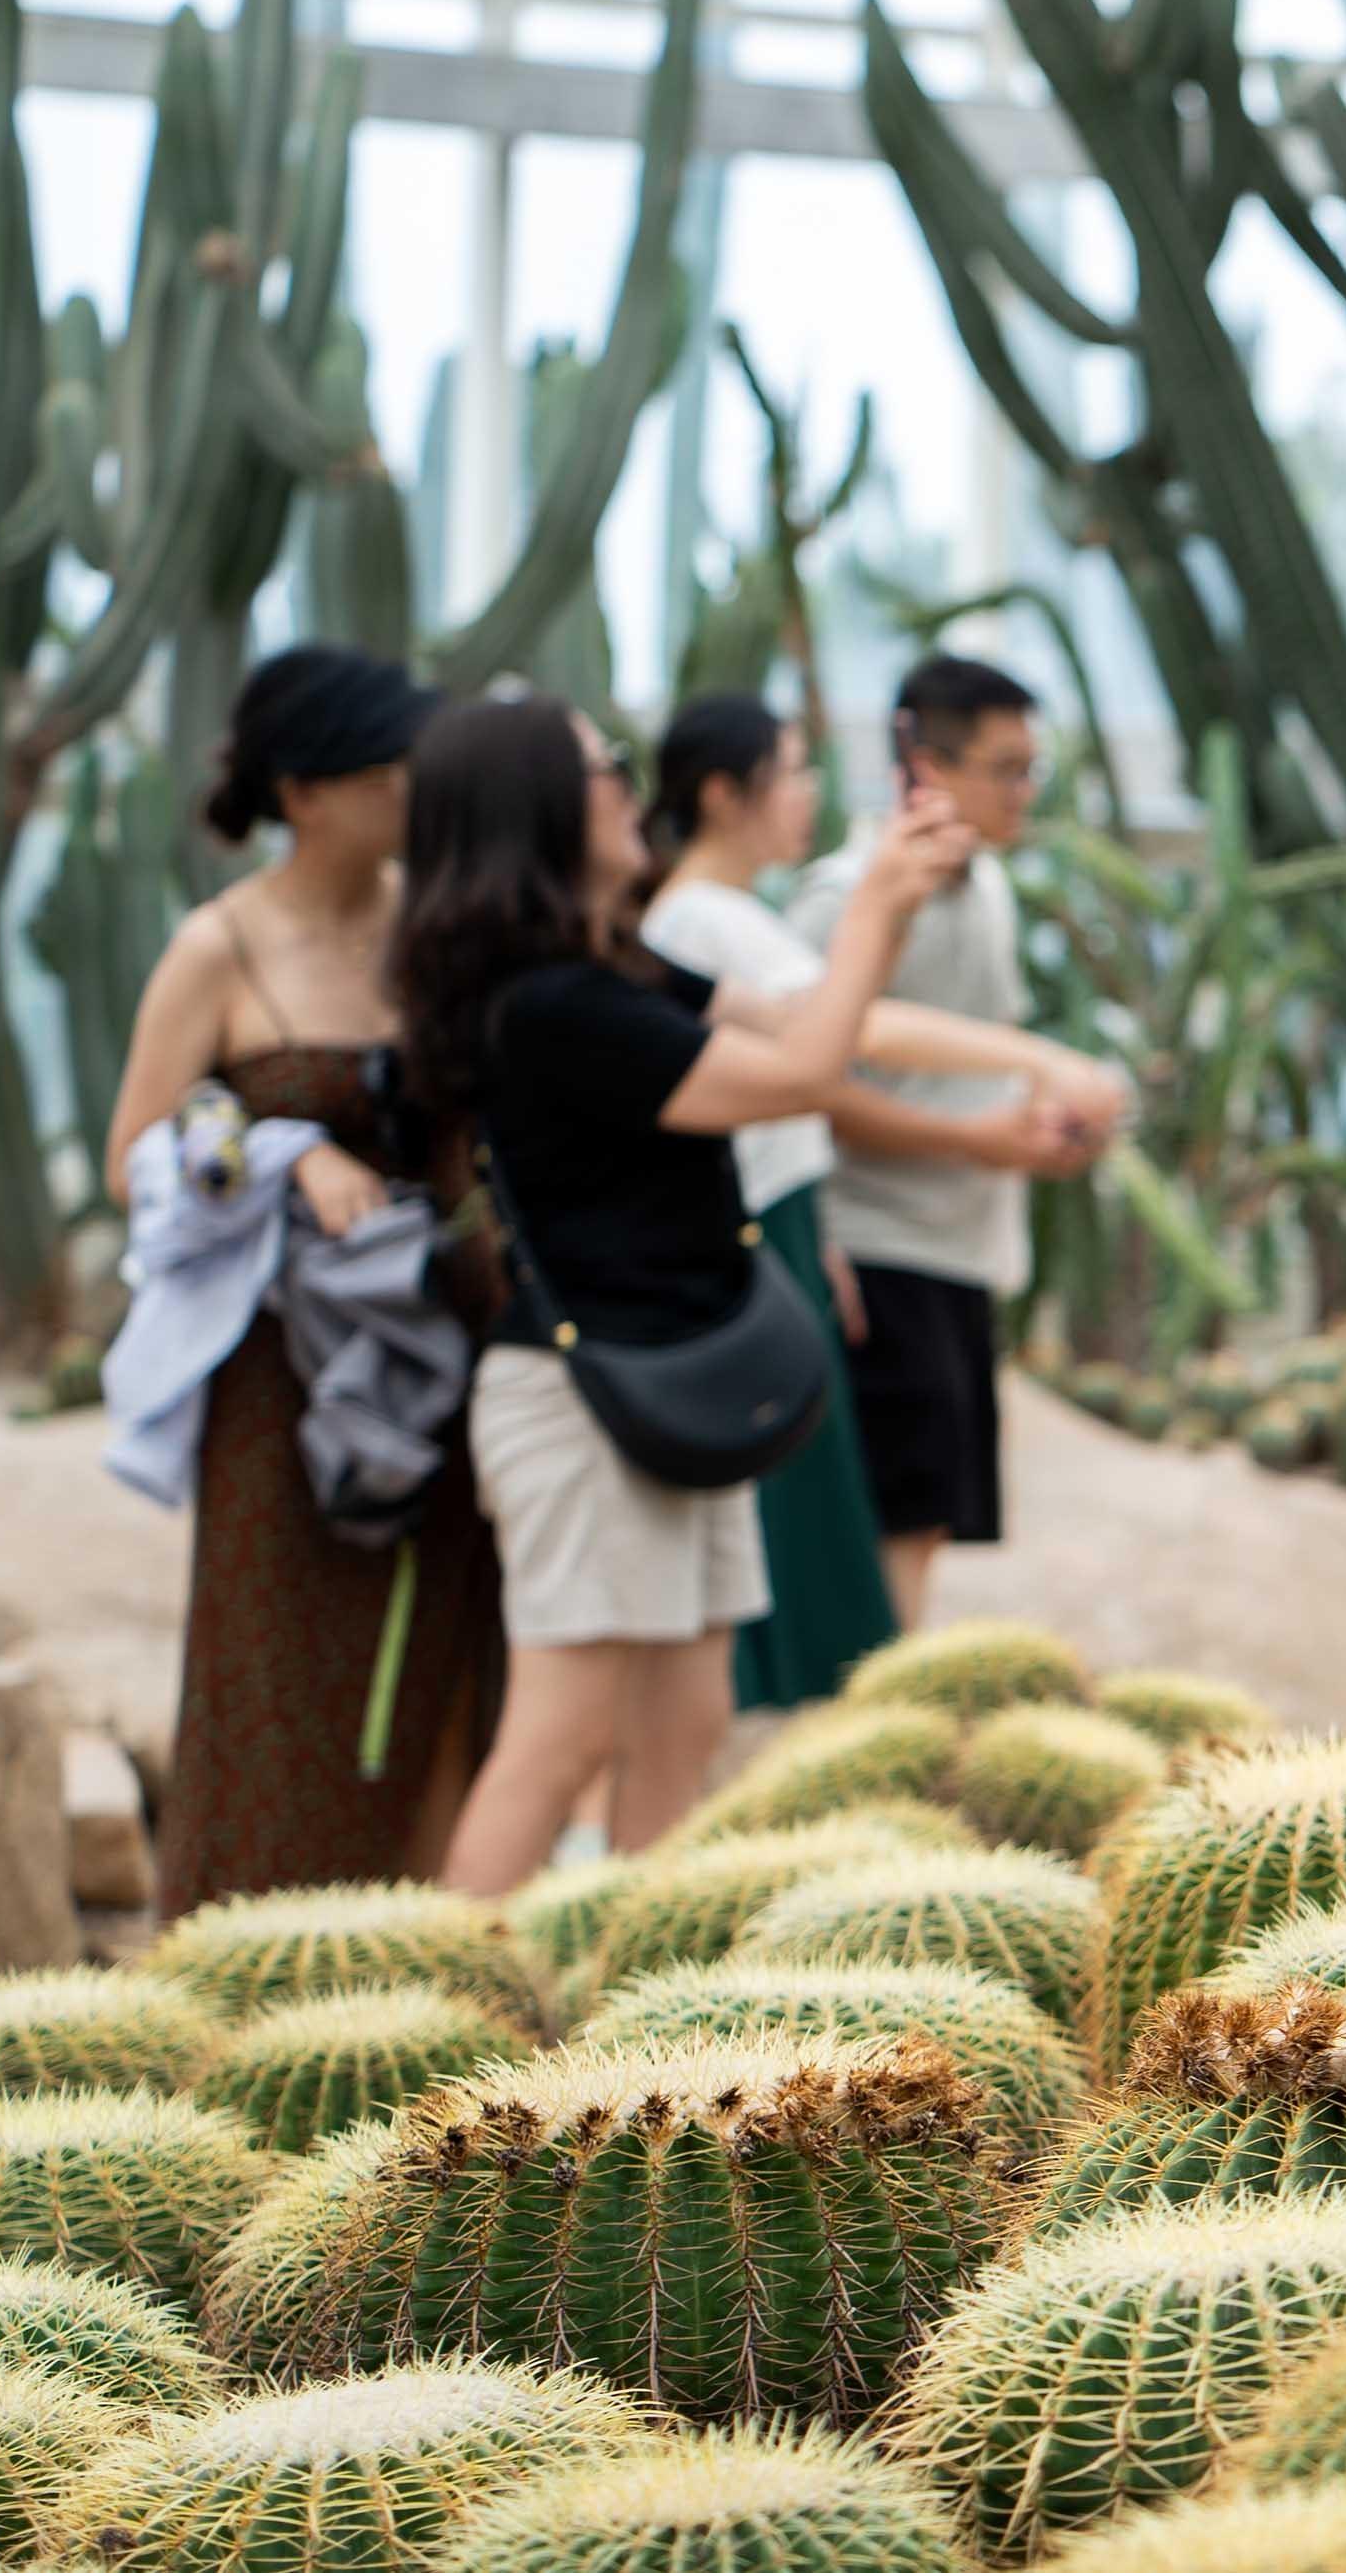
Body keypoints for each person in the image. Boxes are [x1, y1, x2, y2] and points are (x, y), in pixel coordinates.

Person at [394, 696, 975, 1894]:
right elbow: (808, 1074)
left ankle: (629, 2004)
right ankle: (440, 2028)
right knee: (561, 1741)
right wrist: (872, 901)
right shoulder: (555, 1009)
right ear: (540, 811)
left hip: (659, 1385)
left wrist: (882, 919)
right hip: (584, 1399)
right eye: (602, 765)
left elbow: (801, 1025)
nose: (625, 783)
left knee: (686, 1719)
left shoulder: (607, 967)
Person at [100, 645, 508, 1915]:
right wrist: (286, 1153)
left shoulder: (438, 931)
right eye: (394, 772)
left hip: (447, 1346)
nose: (416, 794)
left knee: (446, 1655)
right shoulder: (217, 946)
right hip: (281, 1375)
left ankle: (428, 1974)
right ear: (309, 791)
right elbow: (135, 1155)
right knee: (273, 1673)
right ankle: (246, 1974)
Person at [639, 696, 1121, 1710]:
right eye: (791, 769)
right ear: (723, 794)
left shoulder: (741, 916)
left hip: (818, 1232)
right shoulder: (700, 922)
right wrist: (1036, 1064)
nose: (812, 791)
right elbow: (848, 1034)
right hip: (812, 1236)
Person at [789, 656, 1112, 1634]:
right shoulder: (844, 898)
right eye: (1004, 768)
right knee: (895, 1527)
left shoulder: (993, 891)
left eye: (1031, 770)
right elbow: (803, 1079)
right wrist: (973, 1139)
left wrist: (1033, 1131)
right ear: (922, 765)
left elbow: (962, 1064)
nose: (1023, 792)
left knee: (924, 1528)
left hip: (962, 1248)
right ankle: (866, 1747)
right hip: (877, 1246)